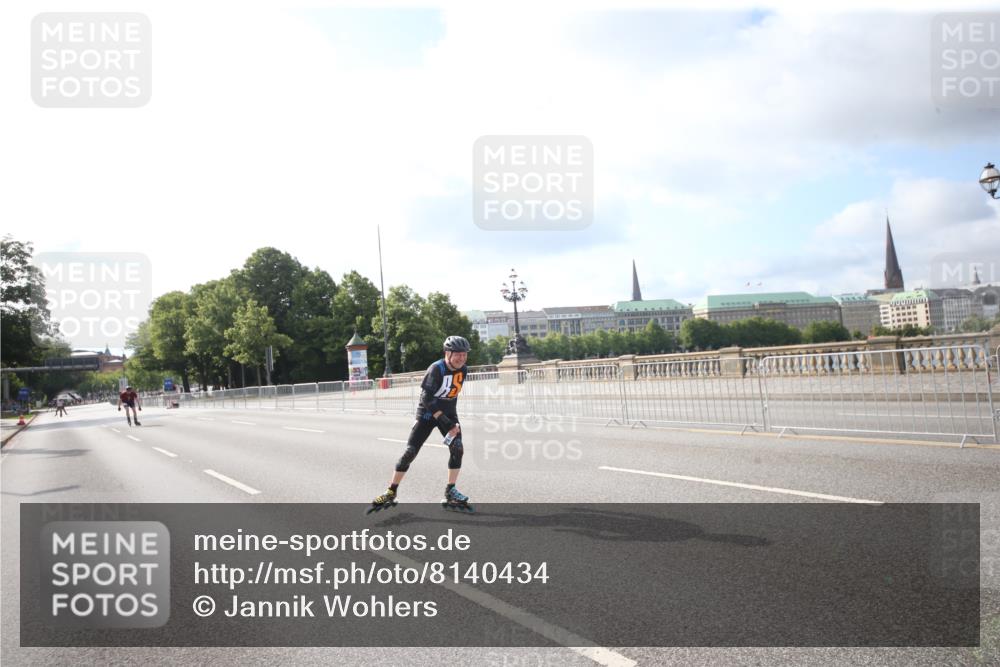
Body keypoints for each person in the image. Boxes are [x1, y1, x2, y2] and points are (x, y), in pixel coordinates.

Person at [367, 336, 473, 514]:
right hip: (427, 413)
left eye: (464, 355)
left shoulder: (464, 370)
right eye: (458, 355)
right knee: (410, 452)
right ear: (448, 353)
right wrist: (444, 420)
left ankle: (450, 490)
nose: (461, 358)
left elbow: (452, 396)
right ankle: (391, 491)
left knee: (458, 447)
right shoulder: (436, 369)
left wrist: (452, 420)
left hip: (447, 412)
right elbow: (426, 398)